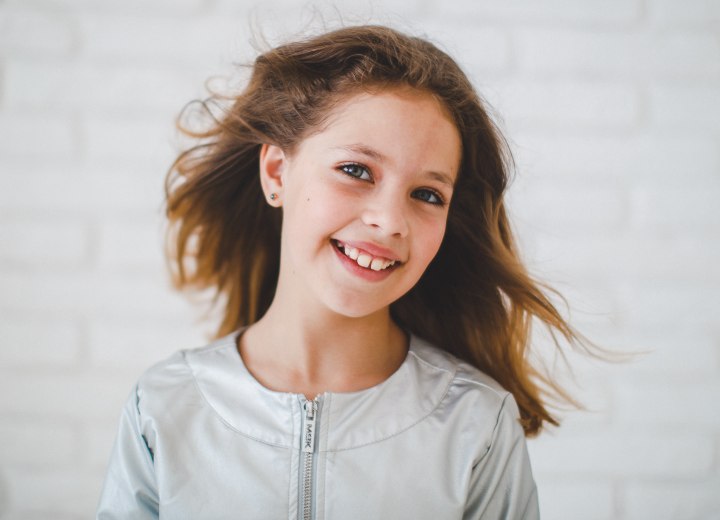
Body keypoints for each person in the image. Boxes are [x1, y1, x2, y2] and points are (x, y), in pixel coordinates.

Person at [97, 24, 588, 519]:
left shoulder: (478, 425)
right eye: (356, 170)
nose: (390, 221)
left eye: (427, 194)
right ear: (276, 172)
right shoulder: (161, 408)